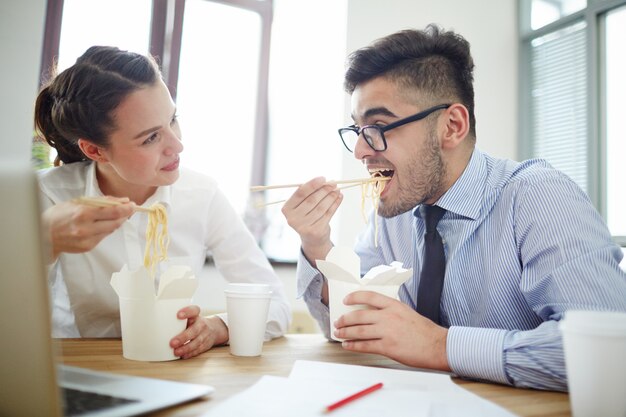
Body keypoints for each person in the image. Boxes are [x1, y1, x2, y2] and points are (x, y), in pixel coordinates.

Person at [281, 24, 626, 391]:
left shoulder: (538, 197)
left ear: (452, 126)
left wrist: (439, 346)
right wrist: (317, 243)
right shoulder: (392, 215)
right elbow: (351, 324)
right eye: (357, 130)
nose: (360, 151)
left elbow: (610, 354)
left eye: (378, 126)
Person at [34, 46, 291, 359]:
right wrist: (43, 243)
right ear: (95, 151)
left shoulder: (202, 195)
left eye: (173, 119)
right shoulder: (48, 195)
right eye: (150, 138)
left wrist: (217, 327)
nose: (177, 144)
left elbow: (274, 303)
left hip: (171, 367)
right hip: (75, 367)